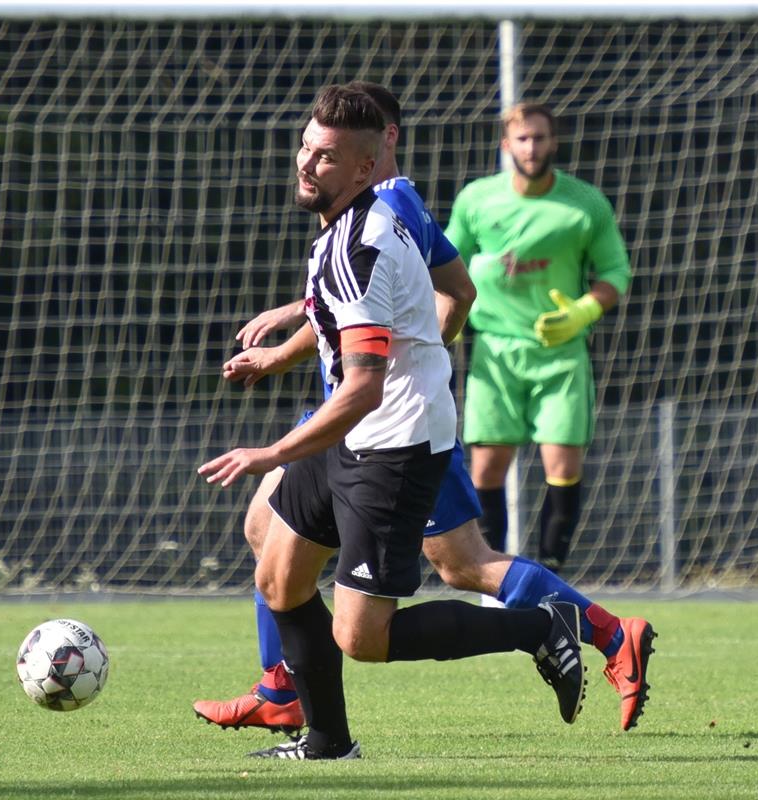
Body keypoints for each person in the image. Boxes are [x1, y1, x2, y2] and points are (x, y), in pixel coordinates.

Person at [194, 84, 655, 737]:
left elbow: (388, 301)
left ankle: (605, 632)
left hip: (389, 426)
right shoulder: (383, 207)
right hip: (359, 417)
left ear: (384, 142)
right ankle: (284, 688)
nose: (312, 160)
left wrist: (412, 359)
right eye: (310, 146)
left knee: (461, 564)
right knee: (266, 524)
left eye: (335, 148)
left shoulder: (389, 204)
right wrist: (304, 327)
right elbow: (447, 291)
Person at [445, 103, 632, 574]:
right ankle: (494, 577)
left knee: (563, 465)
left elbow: (615, 270)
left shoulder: (585, 204)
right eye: (522, 139)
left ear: (554, 142)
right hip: (494, 352)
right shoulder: (476, 200)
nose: (532, 147)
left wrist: (585, 309)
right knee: (485, 469)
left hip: (561, 353)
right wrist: (452, 319)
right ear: (507, 145)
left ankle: (553, 575)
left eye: (540, 138)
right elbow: (446, 264)